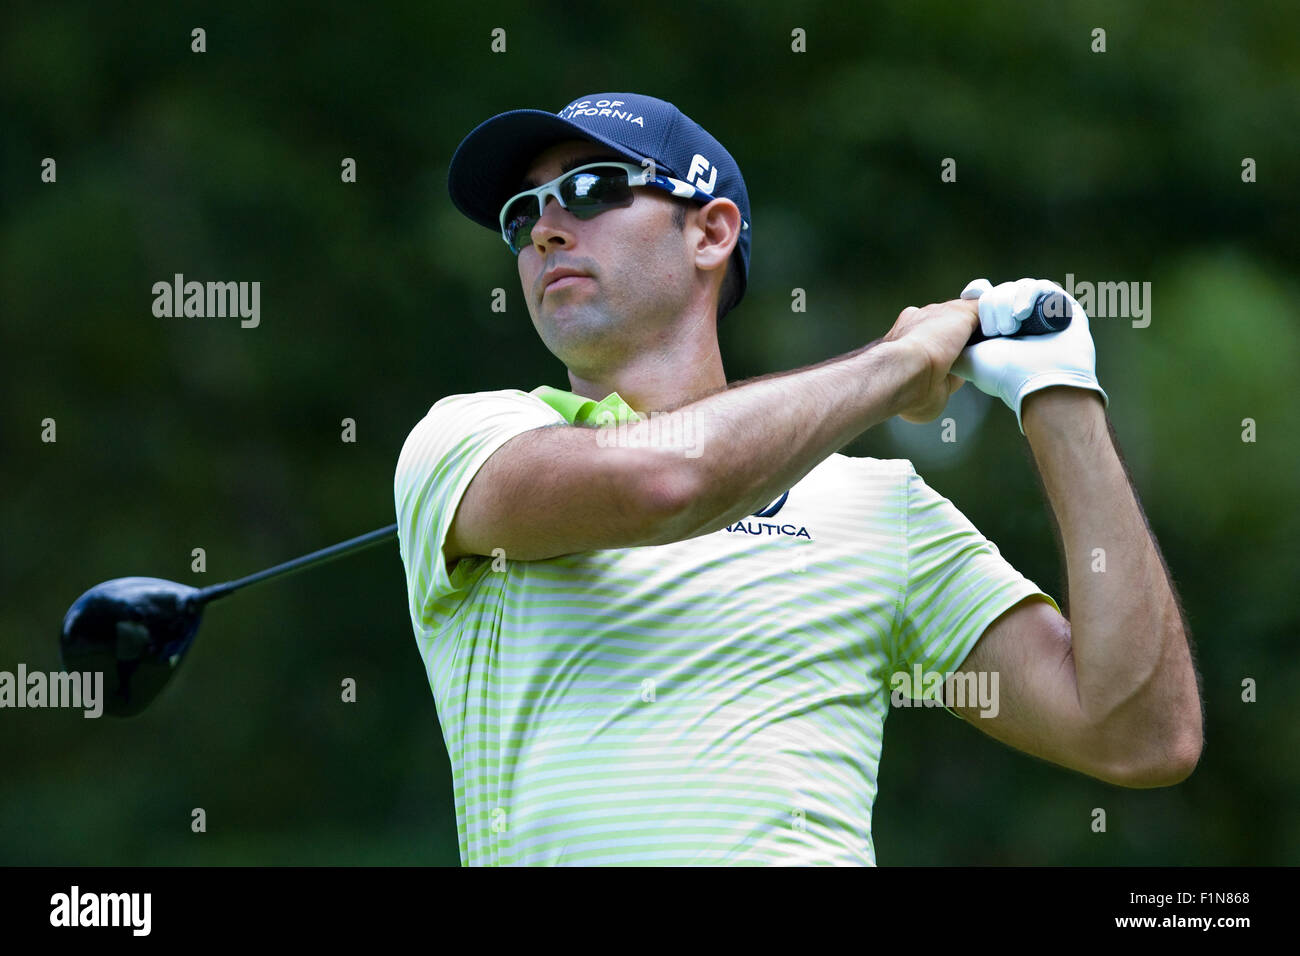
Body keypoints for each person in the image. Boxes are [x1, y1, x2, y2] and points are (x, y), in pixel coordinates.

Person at [394, 91, 1203, 866]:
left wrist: (1061, 400)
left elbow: (1138, 735)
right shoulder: (470, 439)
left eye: (592, 189)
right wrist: (898, 365)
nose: (545, 231)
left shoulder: (881, 507)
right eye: (522, 214)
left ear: (710, 233)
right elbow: (670, 481)